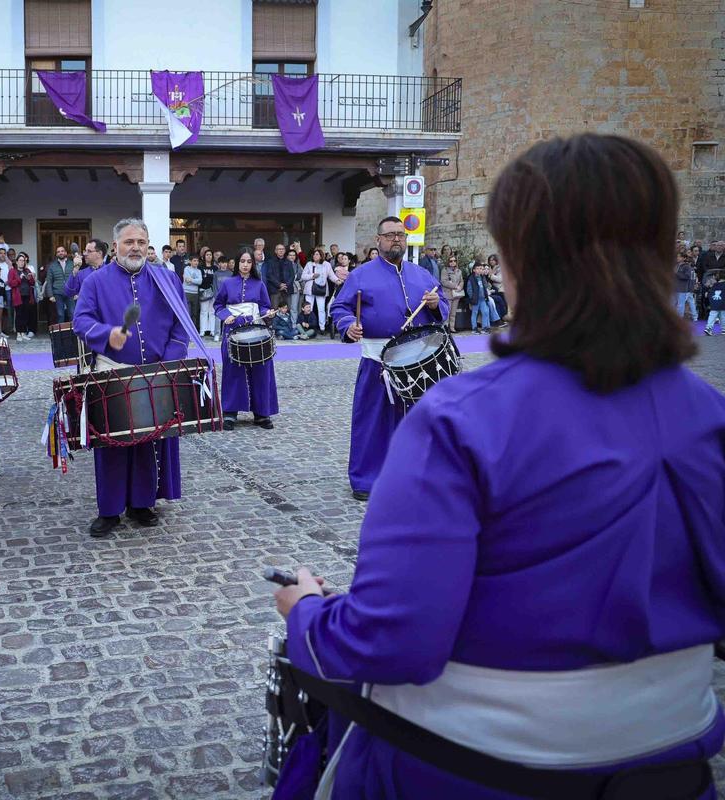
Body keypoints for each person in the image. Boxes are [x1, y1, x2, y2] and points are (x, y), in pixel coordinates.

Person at [275, 133, 724, 800]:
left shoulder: (461, 420)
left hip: (467, 775)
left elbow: (392, 640)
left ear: (517, 259)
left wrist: (306, 613)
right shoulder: (710, 416)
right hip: (672, 778)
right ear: (660, 251)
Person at [73, 218, 191, 537]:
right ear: (115, 247)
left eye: (141, 241)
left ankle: (142, 503)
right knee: (111, 443)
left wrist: (169, 363)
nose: (135, 247)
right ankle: (109, 510)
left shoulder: (167, 279)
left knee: (150, 439)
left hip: (157, 370)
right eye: (128, 242)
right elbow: (80, 321)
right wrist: (105, 333)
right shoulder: (95, 282)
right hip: (112, 371)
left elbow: (181, 326)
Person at [331, 216, 446, 500]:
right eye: (391, 234)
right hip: (377, 361)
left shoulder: (422, 274)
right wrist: (348, 325)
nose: (397, 239)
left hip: (418, 361)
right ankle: (366, 479)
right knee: (372, 421)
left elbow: (441, 304)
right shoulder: (361, 275)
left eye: (401, 235)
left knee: (418, 421)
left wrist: (435, 304)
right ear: (378, 240)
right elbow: (340, 308)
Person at [214, 248, 278, 431]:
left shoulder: (259, 284)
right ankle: (230, 412)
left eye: (249, 262)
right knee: (233, 370)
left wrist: (268, 313)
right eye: (242, 261)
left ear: (253, 264)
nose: (245, 265)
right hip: (232, 331)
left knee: (261, 369)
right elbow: (218, 305)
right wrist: (225, 315)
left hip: (256, 330)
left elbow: (264, 307)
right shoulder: (227, 283)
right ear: (237, 262)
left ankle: (262, 413)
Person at [302, 247, 335, 333]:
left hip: (321, 289)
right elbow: (303, 276)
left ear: (321, 256)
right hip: (310, 289)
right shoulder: (309, 264)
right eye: (314, 254)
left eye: (317, 254)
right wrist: (312, 276)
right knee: (309, 308)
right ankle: (309, 326)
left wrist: (337, 280)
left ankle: (322, 328)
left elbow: (331, 275)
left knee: (321, 309)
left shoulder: (326, 264)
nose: (315, 256)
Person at [67, 238, 108, 303]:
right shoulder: (81, 273)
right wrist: (75, 270)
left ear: (99, 253)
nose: (85, 254)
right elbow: (69, 293)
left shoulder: (110, 272)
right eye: (85, 251)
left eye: (89, 251)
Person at [44, 245, 77, 324]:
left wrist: (77, 292)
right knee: (60, 314)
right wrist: (51, 295)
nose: (60, 253)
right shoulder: (52, 266)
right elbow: (49, 281)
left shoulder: (72, 264)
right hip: (57, 293)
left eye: (62, 251)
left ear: (65, 252)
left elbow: (76, 279)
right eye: (58, 252)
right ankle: (61, 335)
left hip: (70, 292)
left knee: (72, 314)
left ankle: (74, 334)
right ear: (56, 254)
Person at [8, 252, 37, 341]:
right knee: (19, 315)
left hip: (27, 295)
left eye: (23, 261)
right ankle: (18, 334)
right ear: (16, 262)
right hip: (18, 296)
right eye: (20, 260)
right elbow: (11, 283)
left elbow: (33, 283)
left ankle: (23, 333)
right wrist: (19, 278)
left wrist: (30, 278)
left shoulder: (27, 270)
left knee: (25, 315)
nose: (22, 262)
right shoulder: (12, 271)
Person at [466, 261, 496, 333]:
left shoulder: (482, 277)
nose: (480, 270)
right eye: (478, 268)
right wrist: (472, 298)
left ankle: (484, 328)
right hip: (475, 299)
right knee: (475, 313)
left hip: (482, 299)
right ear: (474, 270)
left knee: (485, 312)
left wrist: (486, 295)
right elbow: (469, 290)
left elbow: (484, 288)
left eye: (481, 268)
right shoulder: (471, 279)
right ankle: (474, 328)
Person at [441, 254, 465, 333]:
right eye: (451, 261)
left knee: (453, 313)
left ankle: (452, 328)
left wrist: (460, 287)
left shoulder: (459, 271)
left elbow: (461, 280)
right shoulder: (444, 270)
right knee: (447, 312)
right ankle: (445, 328)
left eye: (454, 261)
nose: (453, 262)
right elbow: (444, 282)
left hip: (456, 294)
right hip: (448, 294)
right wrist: (455, 286)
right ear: (448, 262)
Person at [676, 252, 699, 319]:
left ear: (684, 258)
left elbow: (687, 277)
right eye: (677, 256)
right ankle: (695, 317)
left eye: (679, 256)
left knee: (681, 304)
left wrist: (676, 273)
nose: (677, 258)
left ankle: (680, 318)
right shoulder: (676, 266)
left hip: (683, 288)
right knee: (673, 303)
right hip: (675, 288)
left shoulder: (687, 267)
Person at [182, 254, 203, 324]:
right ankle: (187, 329)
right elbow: (187, 281)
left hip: (195, 293)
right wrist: (195, 280)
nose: (196, 262)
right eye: (194, 261)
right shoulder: (186, 269)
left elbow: (200, 282)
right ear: (190, 261)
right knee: (187, 312)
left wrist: (191, 280)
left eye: (197, 261)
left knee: (194, 313)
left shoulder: (199, 271)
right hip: (187, 292)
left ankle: (193, 330)